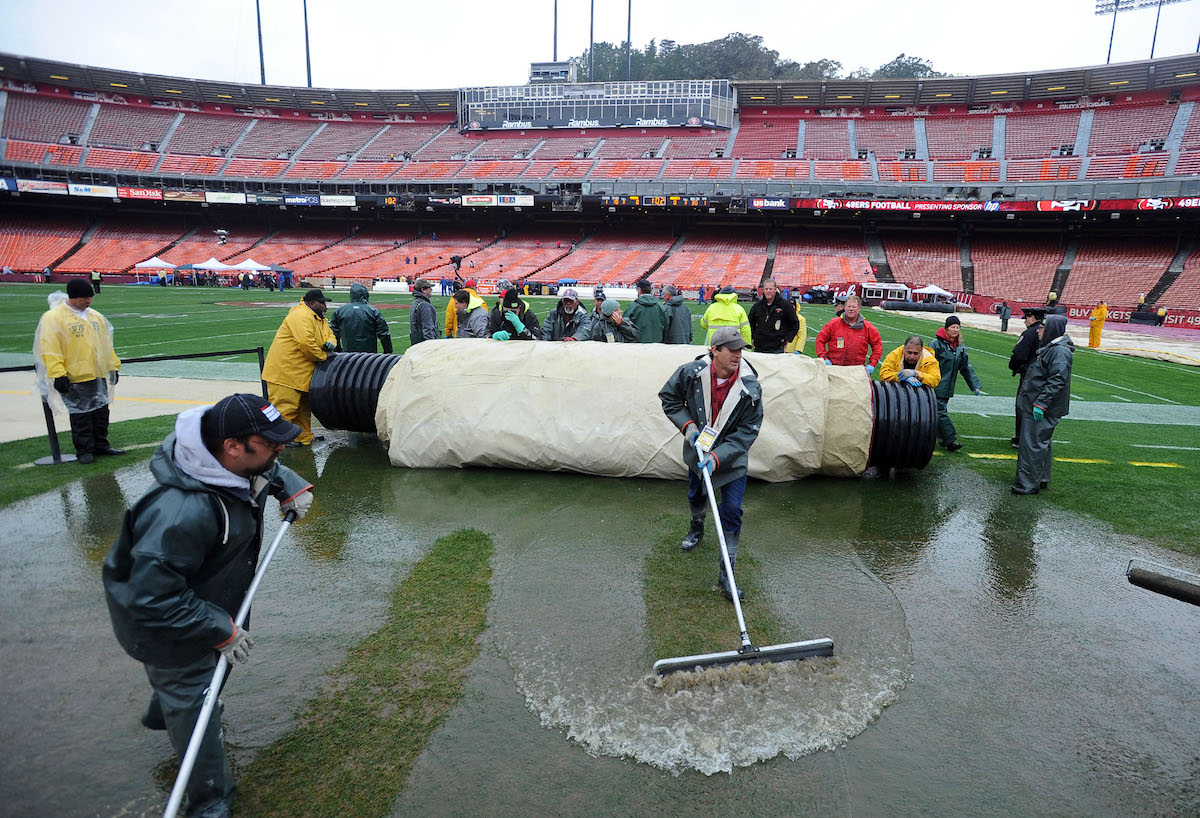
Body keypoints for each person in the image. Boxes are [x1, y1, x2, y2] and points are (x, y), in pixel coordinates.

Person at [102, 394, 315, 818]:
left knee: (193, 686)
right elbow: (154, 598)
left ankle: (166, 707)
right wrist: (222, 629)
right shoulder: (182, 512)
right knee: (196, 703)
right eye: (270, 442)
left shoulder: (233, 463)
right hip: (165, 628)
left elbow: (266, 470)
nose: (281, 448)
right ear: (233, 446)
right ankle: (210, 801)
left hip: (202, 604)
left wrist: (290, 486)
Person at [659, 326, 763, 602]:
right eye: (732, 349)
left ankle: (726, 573)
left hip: (731, 460)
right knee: (696, 494)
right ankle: (697, 526)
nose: (738, 355)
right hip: (699, 453)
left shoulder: (749, 386)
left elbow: (747, 431)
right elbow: (668, 398)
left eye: (741, 350)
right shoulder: (691, 373)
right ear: (715, 350)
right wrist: (689, 426)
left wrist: (718, 458)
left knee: (731, 509)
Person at [34, 280, 124, 464]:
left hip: (97, 373)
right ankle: (84, 450)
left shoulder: (95, 316)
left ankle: (101, 444)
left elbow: (107, 343)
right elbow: (50, 348)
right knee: (80, 415)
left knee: (101, 412)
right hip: (74, 376)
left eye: (90, 297)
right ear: (74, 297)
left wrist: (113, 366)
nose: (89, 301)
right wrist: (58, 373)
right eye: (85, 297)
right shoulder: (54, 318)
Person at [261, 289, 335, 448]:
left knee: (303, 410)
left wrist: (331, 343)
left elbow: (330, 334)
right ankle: (280, 441)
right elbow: (306, 344)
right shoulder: (300, 315)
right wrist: (324, 356)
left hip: (302, 374)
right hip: (285, 373)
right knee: (285, 410)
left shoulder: (320, 319)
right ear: (311, 303)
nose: (324, 306)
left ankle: (304, 437)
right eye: (321, 303)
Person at [1012, 315, 1074, 495]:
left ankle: (1027, 483)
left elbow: (1057, 379)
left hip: (1042, 407)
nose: (1038, 331)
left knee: (1032, 444)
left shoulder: (1059, 351)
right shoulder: (1055, 348)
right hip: (1042, 405)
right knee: (1041, 444)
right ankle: (1041, 478)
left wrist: (1041, 404)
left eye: (1042, 329)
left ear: (1051, 330)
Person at [930, 315, 982, 452]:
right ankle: (950, 439)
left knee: (936, 414)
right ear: (946, 328)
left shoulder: (960, 348)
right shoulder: (936, 344)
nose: (956, 330)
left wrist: (975, 385)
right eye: (953, 327)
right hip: (934, 385)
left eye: (958, 327)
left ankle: (934, 438)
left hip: (947, 388)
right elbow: (926, 363)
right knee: (940, 413)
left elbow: (966, 367)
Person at [1008, 307, 1046, 449]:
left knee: (1023, 406)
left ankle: (1020, 438)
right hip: (1044, 377)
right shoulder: (1048, 334)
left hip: (1029, 376)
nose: (1025, 320)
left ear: (1033, 318)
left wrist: (1014, 367)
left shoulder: (1029, 333)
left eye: (1027, 317)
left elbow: (1019, 355)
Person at [814, 295, 882, 372]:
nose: (851, 309)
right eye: (849, 306)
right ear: (844, 307)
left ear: (859, 308)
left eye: (854, 307)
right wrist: (824, 358)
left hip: (856, 370)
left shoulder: (867, 327)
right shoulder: (833, 324)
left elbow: (877, 345)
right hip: (834, 368)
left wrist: (872, 364)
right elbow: (820, 340)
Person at [330, 282, 393, 354]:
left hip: (348, 355)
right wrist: (388, 352)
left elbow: (334, 333)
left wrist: (337, 350)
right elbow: (384, 334)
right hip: (368, 356)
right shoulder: (372, 311)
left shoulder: (339, 311)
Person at [747, 278, 800, 353]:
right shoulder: (757, 306)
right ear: (763, 290)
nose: (768, 291)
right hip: (759, 348)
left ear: (775, 290)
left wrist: (787, 339)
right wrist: (753, 337)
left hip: (777, 348)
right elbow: (750, 323)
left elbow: (795, 324)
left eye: (770, 289)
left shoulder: (785, 306)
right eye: (766, 289)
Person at [566, 299, 639, 343]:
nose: (621, 311)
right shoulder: (599, 326)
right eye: (617, 310)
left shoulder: (626, 321)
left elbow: (636, 336)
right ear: (611, 313)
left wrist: (621, 324)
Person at [625, 279, 670, 343]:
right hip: (656, 344)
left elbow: (625, 326)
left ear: (639, 290)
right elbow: (666, 327)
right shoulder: (661, 307)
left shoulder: (633, 306)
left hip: (638, 346)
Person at [408, 278, 439, 347]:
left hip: (416, 342)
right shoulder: (425, 305)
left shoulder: (415, 303)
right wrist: (432, 346)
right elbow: (428, 329)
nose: (431, 289)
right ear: (423, 290)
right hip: (424, 345)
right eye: (429, 288)